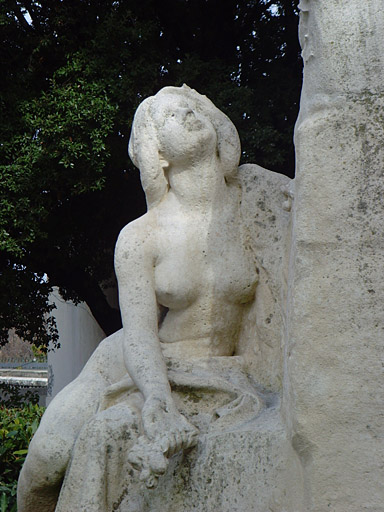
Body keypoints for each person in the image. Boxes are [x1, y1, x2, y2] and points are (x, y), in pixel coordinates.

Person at [17, 85, 260, 512]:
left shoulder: (258, 207)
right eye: (171, 115)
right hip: (137, 361)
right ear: (158, 154)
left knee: (101, 438)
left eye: (193, 107)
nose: (187, 113)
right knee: (47, 459)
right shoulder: (140, 237)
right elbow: (140, 337)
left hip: (220, 369)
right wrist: (157, 398)